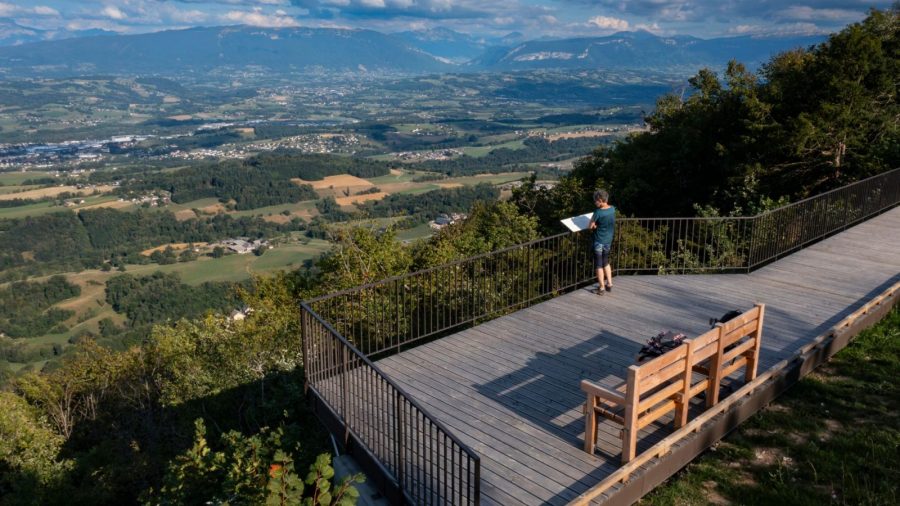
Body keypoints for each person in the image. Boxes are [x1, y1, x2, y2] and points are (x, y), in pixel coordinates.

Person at [589, 189, 615, 295]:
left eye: (595, 201)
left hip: (599, 241)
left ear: (600, 200)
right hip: (608, 240)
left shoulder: (598, 212)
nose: (595, 202)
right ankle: (609, 284)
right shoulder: (612, 209)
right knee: (605, 262)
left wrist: (594, 226)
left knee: (599, 265)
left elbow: (590, 226)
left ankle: (601, 288)